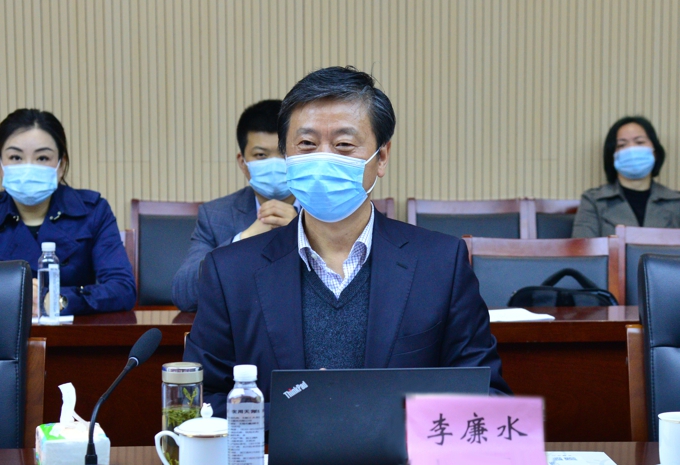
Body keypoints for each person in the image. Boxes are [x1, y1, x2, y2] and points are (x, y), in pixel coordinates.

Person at [184, 66, 511, 420]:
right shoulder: (230, 272)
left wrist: (377, 419)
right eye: (307, 145)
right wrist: (298, 417)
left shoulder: (441, 264)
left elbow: (488, 397)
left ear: (381, 157)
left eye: (343, 145)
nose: (323, 159)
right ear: (287, 156)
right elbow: (201, 400)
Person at [0, 108, 136, 315]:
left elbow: (123, 289)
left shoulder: (93, 211)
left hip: (74, 332)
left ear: (61, 165)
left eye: (42, 158)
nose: (28, 168)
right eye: (16, 157)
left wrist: (56, 300)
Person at [172, 100, 298, 311]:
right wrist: (243, 240)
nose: (274, 164)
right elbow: (184, 295)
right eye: (261, 155)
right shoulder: (215, 216)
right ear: (243, 162)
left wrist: (302, 234)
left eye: (284, 153)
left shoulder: (327, 211)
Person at [572, 116, 680, 237]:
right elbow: (583, 246)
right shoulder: (594, 201)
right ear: (612, 156)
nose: (631, 150)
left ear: (655, 152)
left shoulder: (676, 202)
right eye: (622, 145)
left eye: (639, 142)